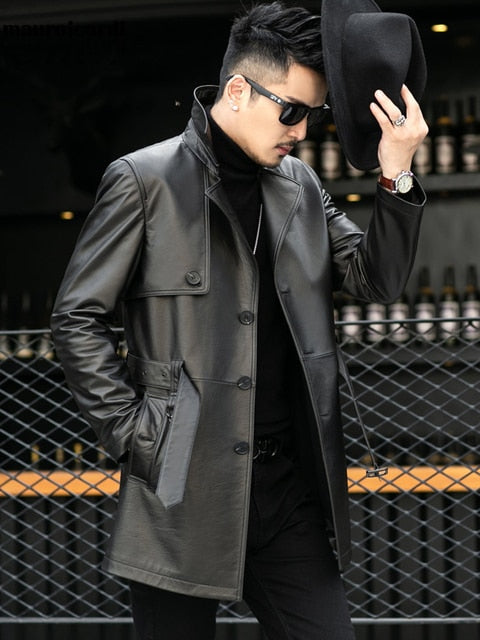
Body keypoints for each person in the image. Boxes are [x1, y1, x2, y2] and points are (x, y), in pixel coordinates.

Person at [51, 0, 428, 638]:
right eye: (292, 111)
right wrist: (137, 436)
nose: (301, 131)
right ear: (237, 90)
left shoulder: (300, 186)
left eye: (313, 115)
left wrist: (397, 173)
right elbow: (77, 316)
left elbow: (376, 279)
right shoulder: (144, 180)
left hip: (286, 492)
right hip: (180, 488)